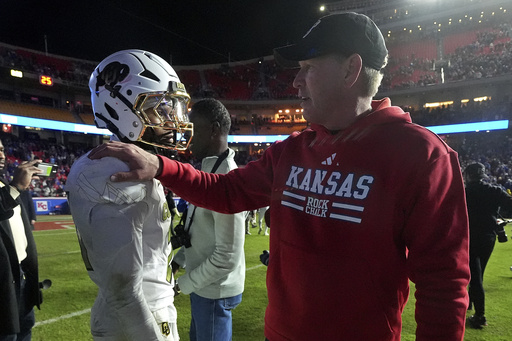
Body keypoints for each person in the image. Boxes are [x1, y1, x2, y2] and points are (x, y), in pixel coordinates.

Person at [88, 13, 470, 341]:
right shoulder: (292, 149)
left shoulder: (421, 155)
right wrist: (161, 167)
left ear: (351, 69)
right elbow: (227, 192)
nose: (295, 83)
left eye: (307, 68)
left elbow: (444, 282)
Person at [65, 49, 193, 341]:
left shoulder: (133, 161)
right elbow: (123, 288)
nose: (170, 118)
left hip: (140, 308)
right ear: (119, 106)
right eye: (158, 108)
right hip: (137, 316)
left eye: (171, 108)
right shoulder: (111, 171)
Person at [171, 98, 246, 341]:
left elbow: (227, 257)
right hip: (204, 286)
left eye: (194, 128)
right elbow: (199, 232)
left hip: (214, 290)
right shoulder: (210, 171)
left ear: (214, 129)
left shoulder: (228, 177)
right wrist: (179, 261)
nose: (189, 137)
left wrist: (182, 285)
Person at [0, 139, 43, 340]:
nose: (1, 155)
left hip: (20, 276)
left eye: (1, 150)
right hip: (3, 280)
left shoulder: (4, 185)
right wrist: (15, 186)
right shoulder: (10, 187)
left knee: (25, 329)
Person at [463, 162, 512, 329]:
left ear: (468, 175)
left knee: (474, 274)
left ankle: (480, 316)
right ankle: (469, 303)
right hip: (488, 238)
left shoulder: (464, 191)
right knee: (478, 271)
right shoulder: (494, 190)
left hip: (469, 237)